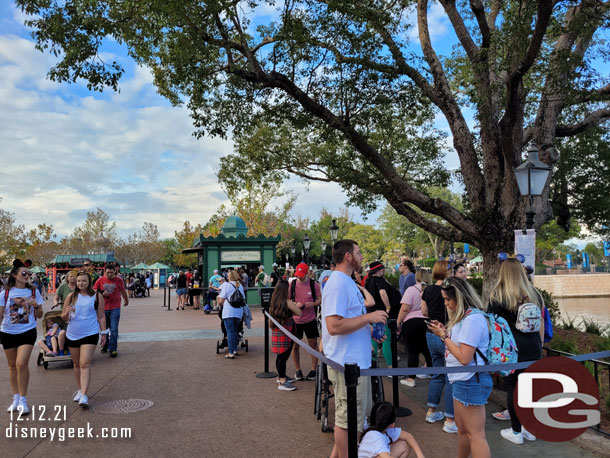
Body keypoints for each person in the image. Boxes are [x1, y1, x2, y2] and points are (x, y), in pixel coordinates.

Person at [322, 240, 388, 458]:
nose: (362, 256)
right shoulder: (339, 284)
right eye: (359, 252)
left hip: (356, 364)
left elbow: (350, 320)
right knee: (348, 421)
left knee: (354, 419)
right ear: (348, 256)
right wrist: (369, 317)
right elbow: (334, 326)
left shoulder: (346, 282)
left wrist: (370, 330)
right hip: (347, 365)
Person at [427, 277, 492, 458]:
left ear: (460, 297)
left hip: (470, 380)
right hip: (461, 380)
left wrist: (444, 336)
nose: (446, 304)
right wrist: (445, 334)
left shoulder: (473, 319)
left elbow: (464, 357)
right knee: (463, 432)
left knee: (476, 435)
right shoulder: (465, 318)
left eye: (448, 300)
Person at [489, 258, 544, 445]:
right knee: (529, 390)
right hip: (534, 347)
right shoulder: (534, 293)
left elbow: (493, 326)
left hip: (512, 349)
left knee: (513, 388)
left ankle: (516, 431)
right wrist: (539, 344)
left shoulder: (498, 296)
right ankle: (530, 429)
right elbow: (541, 323)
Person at [0, 259, 44, 415]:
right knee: (12, 366)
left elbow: (40, 315)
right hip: (7, 332)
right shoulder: (5, 293)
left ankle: (24, 400)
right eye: (24, 273)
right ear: (14, 275)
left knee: (21, 363)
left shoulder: (34, 292)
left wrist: (36, 305)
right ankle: (16, 398)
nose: (27, 275)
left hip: (27, 331)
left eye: (29, 273)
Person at [62, 270, 108, 408]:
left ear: (89, 282)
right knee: (76, 364)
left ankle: (84, 395)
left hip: (90, 333)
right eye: (79, 281)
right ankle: (80, 389)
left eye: (84, 281)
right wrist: (67, 312)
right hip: (73, 334)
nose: (81, 283)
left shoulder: (97, 296)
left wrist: (104, 333)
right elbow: (63, 317)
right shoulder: (71, 297)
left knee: (84, 363)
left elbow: (101, 316)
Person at [421, 260, 455, 432]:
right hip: (445, 333)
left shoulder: (428, 290)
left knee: (437, 373)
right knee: (450, 377)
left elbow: (423, 312)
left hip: (430, 332)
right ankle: (450, 419)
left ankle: (431, 411)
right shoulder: (449, 291)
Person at [397, 268, 433, 390]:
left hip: (411, 322)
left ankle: (411, 378)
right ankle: (434, 374)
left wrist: (398, 322)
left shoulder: (411, 290)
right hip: (426, 322)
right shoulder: (430, 290)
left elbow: (405, 308)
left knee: (412, 351)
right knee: (427, 350)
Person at [364, 261, 401, 371]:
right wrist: (388, 307)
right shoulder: (379, 280)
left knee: (374, 339)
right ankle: (391, 368)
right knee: (386, 340)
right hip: (381, 314)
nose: (383, 270)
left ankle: (372, 365)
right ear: (378, 270)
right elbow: (383, 293)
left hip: (371, 313)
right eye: (382, 268)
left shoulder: (368, 281)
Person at [358, 401, 425, 458]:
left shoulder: (378, 429)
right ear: (392, 425)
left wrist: (420, 455)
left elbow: (408, 436)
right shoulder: (375, 437)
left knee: (404, 445)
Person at [290, 262, 321, 381]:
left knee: (313, 345)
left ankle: (313, 370)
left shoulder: (314, 285)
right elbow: (287, 300)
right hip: (296, 320)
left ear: (307, 273)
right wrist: (295, 305)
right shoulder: (292, 284)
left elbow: (320, 299)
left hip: (310, 319)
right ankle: (298, 370)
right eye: (298, 274)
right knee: (295, 346)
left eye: (302, 274)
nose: (300, 277)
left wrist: (313, 304)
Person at [269, 279, 302, 391]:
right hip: (287, 330)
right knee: (283, 356)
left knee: (280, 356)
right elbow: (299, 312)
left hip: (278, 330)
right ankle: (282, 381)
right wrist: (296, 305)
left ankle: (281, 376)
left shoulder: (274, 300)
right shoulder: (286, 301)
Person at [93, 264, 128, 358]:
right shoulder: (100, 280)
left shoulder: (119, 280)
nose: (109, 274)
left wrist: (126, 299)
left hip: (115, 307)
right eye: (107, 273)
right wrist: (101, 292)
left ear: (115, 272)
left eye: (111, 273)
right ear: (105, 272)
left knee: (114, 329)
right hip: (103, 308)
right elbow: (94, 291)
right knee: (105, 328)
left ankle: (113, 349)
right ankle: (105, 345)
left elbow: (123, 291)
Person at [217, 270, 245, 359]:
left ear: (229, 277)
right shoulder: (240, 286)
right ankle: (235, 350)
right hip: (238, 311)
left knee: (230, 332)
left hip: (228, 311)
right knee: (235, 331)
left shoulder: (227, 285)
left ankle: (231, 352)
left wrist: (219, 299)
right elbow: (243, 298)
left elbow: (221, 301)